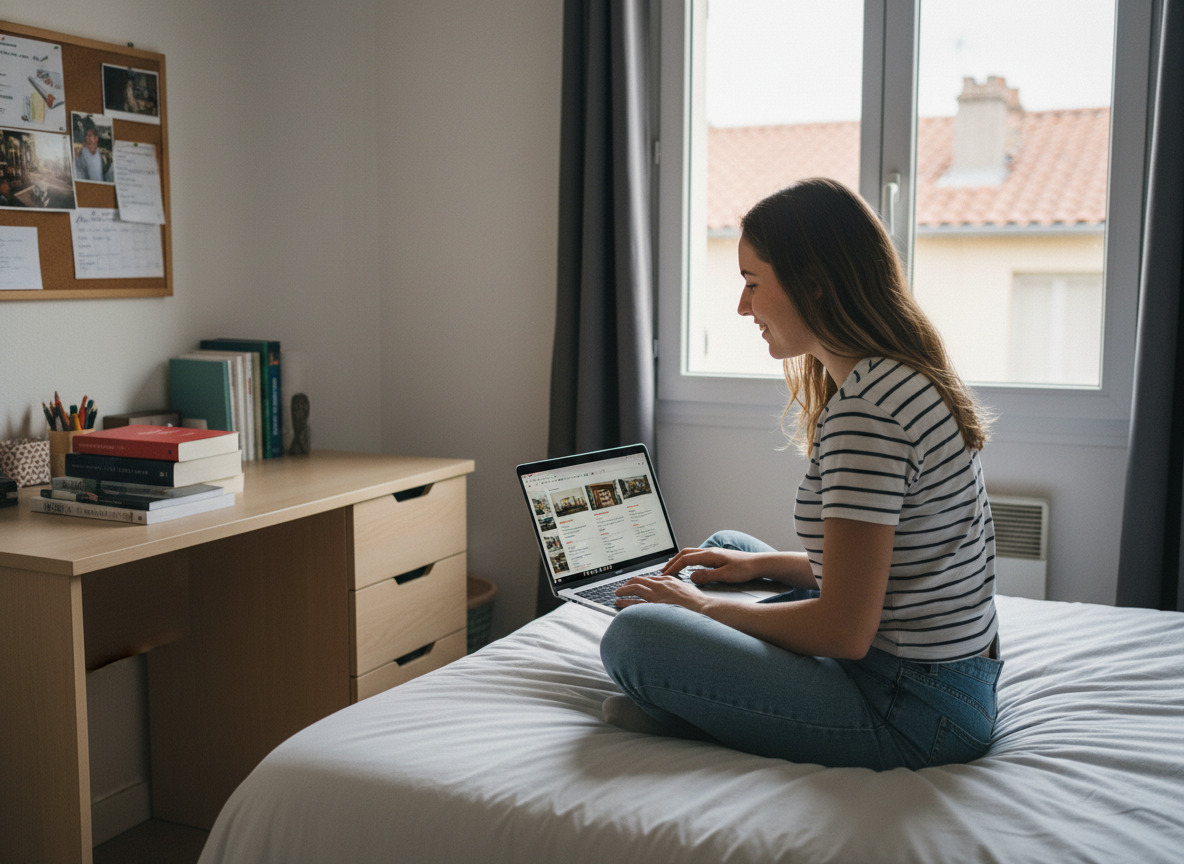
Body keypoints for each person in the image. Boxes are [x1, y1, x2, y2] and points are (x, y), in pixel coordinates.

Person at [599, 177, 1001, 770]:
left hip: (914, 710)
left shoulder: (868, 415)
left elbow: (844, 630)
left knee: (635, 638)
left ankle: (692, 709)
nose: (743, 307)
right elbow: (879, 570)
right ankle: (708, 686)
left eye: (752, 284)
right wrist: (757, 566)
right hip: (948, 679)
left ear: (813, 286)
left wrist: (696, 611)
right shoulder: (896, 379)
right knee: (724, 551)